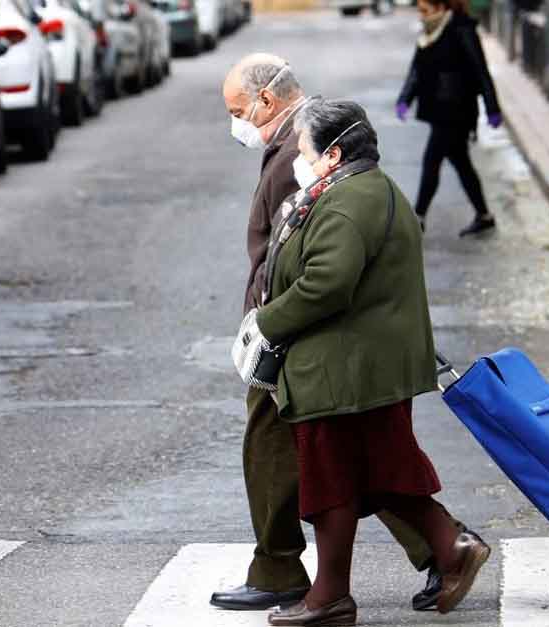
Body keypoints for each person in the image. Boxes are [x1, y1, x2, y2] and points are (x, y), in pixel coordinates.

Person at [216, 55, 474, 614]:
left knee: (339, 474)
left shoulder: (336, 188)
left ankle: (319, 585)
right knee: (368, 469)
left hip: (338, 358)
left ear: (329, 155)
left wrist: (266, 320)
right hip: (345, 356)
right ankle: (437, 550)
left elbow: (323, 278)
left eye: (240, 111)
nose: (236, 124)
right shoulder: (349, 183)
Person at [397, 0, 504, 237]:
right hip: (439, 109)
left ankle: (418, 217)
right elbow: (417, 69)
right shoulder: (429, 31)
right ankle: (484, 215)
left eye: (425, 10)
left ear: (441, 8)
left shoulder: (461, 29)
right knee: (461, 163)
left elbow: (480, 70)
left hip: (457, 110)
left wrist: (492, 107)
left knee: (432, 160)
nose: (421, 16)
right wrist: (404, 97)